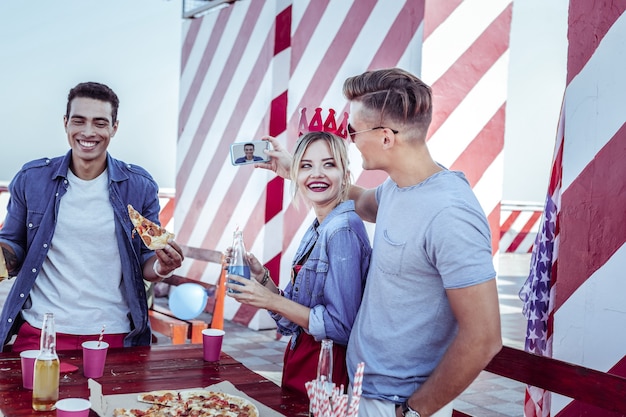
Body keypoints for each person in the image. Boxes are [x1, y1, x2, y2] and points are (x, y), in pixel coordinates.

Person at [256, 68, 502, 417]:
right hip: (361, 390)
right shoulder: (397, 189)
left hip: (398, 405)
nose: (350, 139)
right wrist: (295, 168)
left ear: (386, 137)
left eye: (354, 130)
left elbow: (484, 338)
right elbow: (352, 197)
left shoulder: (451, 213)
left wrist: (414, 411)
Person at [0, 81, 184, 352]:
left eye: (100, 123)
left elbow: (146, 259)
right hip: (41, 330)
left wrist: (161, 267)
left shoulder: (140, 186)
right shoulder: (31, 179)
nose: (88, 132)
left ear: (114, 127)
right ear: (65, 123)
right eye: (79, 121)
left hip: (113, 333)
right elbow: (13, 245)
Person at [226, 129, 372, 396]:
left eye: (329, 164)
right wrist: (264, 282)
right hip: (301, 361)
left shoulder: (342, 230)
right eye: (306, 166)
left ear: (345, 175)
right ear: (297, 176)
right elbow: (292, 322)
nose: (316, 174)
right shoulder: (320, 225)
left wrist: (269, 300)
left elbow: (340, 327)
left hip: (328, 371)